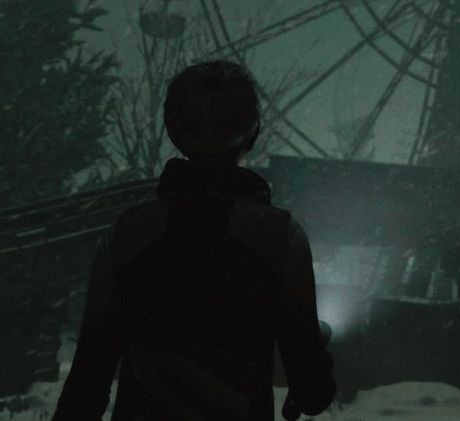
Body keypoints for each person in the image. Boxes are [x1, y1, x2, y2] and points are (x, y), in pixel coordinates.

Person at [53, 59, 336, 420]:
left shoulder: (130, 233)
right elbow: (312, 393)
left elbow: (88, 380)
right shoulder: (279, 238)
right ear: (251, 134)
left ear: (173, 130)